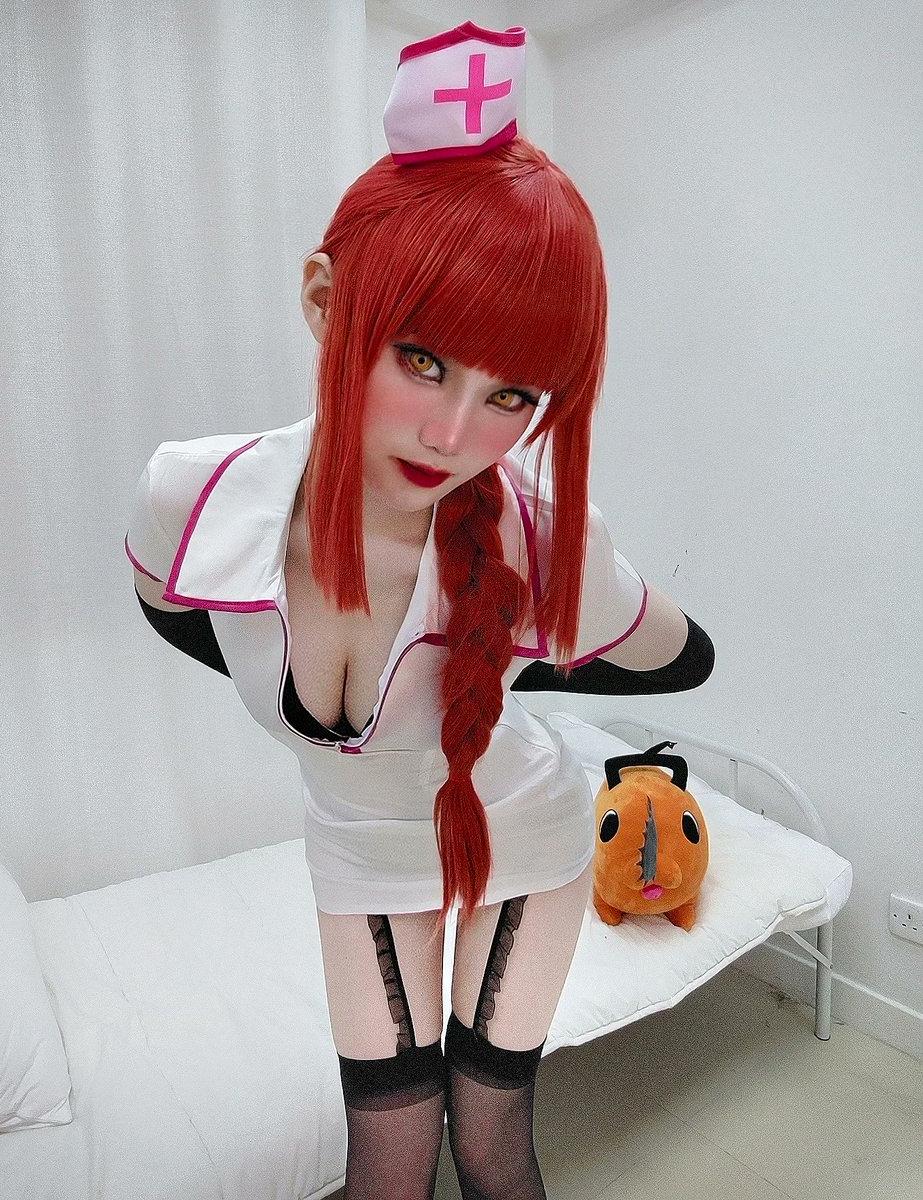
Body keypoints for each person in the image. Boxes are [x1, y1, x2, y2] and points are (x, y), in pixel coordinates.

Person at [126, 21, 714, 1200]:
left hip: (522, 836)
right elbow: (177, 615)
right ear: (322, 300)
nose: (452, 436)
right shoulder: (193, 499)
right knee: (386, 1170)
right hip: (358, 849)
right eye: (423, 360)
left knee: (490, 1149)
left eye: (511, 395)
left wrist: (520, 655)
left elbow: (681, 657)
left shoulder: (543, 539)